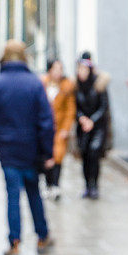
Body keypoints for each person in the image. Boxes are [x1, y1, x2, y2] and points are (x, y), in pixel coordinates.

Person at [0, 39, 54, 255]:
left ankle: (15, 242)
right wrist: (47, 153)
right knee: (34, 192)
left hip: (7, 152)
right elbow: (46, 122)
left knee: (12, 195)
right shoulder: (35, 84)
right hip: (32, 151)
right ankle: (42, 235)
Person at [76, 52, 111, 199]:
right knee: (84, 155)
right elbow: (75, 107)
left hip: (97, 128)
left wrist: (92, 121)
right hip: (83, 127)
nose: (82, 72)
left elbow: (104, 106)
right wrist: (81, 118)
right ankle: (86, 186)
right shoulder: (76, 86)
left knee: (94, 154)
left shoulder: (99, 85)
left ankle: (94, 185)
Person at [41, 59, 76, 200]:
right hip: (45, 129)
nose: (58, 72)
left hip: (59, 128)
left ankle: (55, 185)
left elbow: (70, 109)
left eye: (60, 69)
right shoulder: (43, 84)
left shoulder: (67, 87)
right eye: (56, 69)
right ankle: (48, 184)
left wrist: (66, 128)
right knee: (46, 157)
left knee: (58, 156)